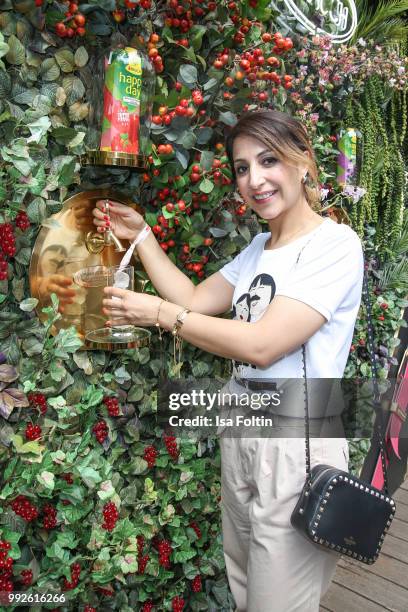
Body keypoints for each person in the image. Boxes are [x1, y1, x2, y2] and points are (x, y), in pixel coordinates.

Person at [92, 109, 364, 611]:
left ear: (303, 161)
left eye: (268, 160)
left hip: (296, 443)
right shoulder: (261, 247)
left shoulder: (336, 245)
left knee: (277, 602)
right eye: (241, 168)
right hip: (243, 428)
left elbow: (263, 344)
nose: (254, 179)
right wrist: (145, 237)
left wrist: (158, 313)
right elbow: (195, 299)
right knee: (245, 587)